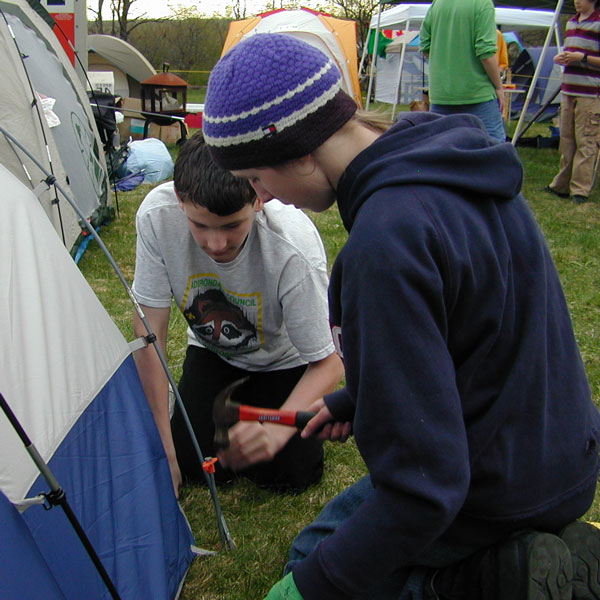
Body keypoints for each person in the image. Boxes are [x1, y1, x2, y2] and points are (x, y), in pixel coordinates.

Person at [202, 33, 600, 600]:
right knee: (335, 537)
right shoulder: (457, 161)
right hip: (566, 458)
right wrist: (362, 398)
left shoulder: (385, 245)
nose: (265, 197)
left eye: (258, 178)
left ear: (303, 151)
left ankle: (494, 578)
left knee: (316, 557)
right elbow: (479, 334)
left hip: (499, 491)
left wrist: (311, 588)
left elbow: (425, 487)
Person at [131, 132, 344, 496]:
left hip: (286, 361)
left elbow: (330, 361)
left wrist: (277, 430)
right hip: (214, 352)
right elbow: (150, 333)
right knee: (192, 463)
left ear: (258, 199)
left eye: (231, 225)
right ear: (180, 200)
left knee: (290, 478)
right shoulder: (156, 216)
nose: (216, 244)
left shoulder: (293, 247)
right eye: (200, 225)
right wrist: (163, 446)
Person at [420, 0, 506, 142]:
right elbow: (486, 55)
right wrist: (498, 87)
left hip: (441, 95)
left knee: (441, 154)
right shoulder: (482, 4)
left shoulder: (438, 4)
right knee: (494, 152)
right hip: (478, 94)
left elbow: (424, 45)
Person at [546, 0, 600, 204]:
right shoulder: (570, 23)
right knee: (566, 139)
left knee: (586, 140)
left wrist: (582, 58)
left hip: (590, 93)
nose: (577, 1)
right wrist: (564, 58)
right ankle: (561, 185)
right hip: (569, 90)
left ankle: (580, 190)